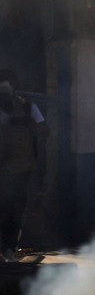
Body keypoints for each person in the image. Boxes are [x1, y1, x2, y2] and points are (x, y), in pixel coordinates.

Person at [0, 69, 47, 262]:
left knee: (16, 210)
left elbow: (44, 130)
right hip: (4, 170)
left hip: (22, 170)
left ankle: (10, 249)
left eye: (6, 87)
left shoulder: (28, 108)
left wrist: (19, 122)